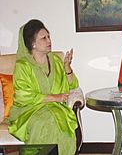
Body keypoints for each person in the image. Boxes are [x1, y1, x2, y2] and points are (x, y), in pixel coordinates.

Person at [8, 19, 79, 155]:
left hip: (55, 108)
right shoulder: (23, 66)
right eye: (44, 38)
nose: (49, 41)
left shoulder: (56, 61)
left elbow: (73, 85)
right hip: (29, 109)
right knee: (43, 123)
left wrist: (67, 68)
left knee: (59, 123)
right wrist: (54, 97)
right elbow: (22, 95)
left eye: (49, 36)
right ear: (33, 43)